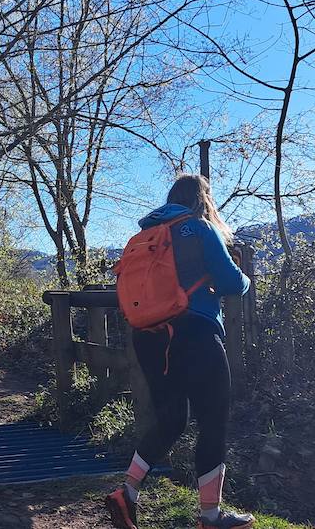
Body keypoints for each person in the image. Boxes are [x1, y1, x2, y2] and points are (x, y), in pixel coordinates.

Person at [104, 174, 254, 529]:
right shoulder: (199, 229)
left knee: (171, 420)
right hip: (196, 333)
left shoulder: (142, 237)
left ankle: (126, 493)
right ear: (203, 200)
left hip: (150, 337)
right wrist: (246, 279)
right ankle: (210, 516)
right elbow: (232, 283)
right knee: (213, 420)